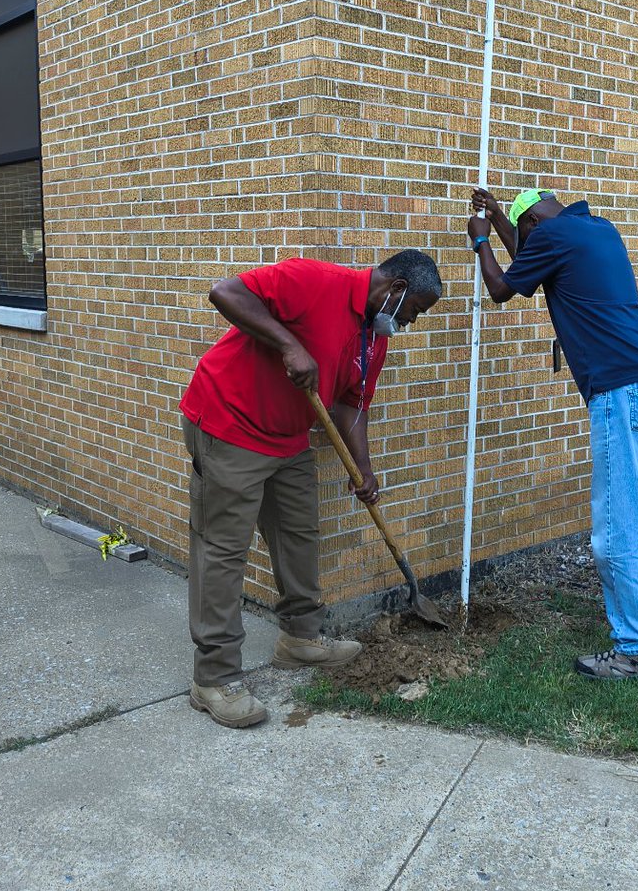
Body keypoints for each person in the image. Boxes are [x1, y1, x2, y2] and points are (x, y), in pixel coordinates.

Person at [180, 249, 442, 727]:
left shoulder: (372, 339)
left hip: (289, 437)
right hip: (230, 423)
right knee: (223, 550)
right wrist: (288, 345)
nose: (411, 322)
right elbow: (225, 291)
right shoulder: (313, 279)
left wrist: (362, 467)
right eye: (414, 311)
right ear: (396, 289)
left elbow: (349, 407)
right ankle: (213, 678)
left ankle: (301, 639)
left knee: (299, 535)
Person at [467, 188, 638, 682]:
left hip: (620, 390)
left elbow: (502, 287)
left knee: (617, 527)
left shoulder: (553, 237)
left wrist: (481, 240)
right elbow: (529, 264)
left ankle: (637, 650)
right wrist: (500, 215)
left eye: (522, 234)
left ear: (535, 226)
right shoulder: (594, 229)